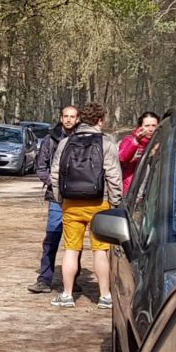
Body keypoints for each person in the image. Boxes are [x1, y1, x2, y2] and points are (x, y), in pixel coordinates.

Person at [47, 103, 124, 309]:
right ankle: (105, 296)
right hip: (100, 203)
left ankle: (67, 294)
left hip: (71, 203)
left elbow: (55, 175)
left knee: (71, 249)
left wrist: (60, 199)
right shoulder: (106, 143)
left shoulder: (65, 143)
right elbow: (114, 177)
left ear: (80, 119)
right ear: (100, 121)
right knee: (100, 251)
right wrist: (115, 203)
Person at [27, 106, 82, 294]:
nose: (68, 120)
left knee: (75, 241)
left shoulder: (84, 139)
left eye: (72, 116)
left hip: (78, 197)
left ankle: (72, 280)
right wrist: (54, 182)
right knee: (51, 237)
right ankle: (44, 279)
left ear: (78, 118)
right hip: (56, 197)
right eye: (65, 116)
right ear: (61, 118)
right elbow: (41, 167)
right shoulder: (50, 139)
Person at [120, 112, 159, 187]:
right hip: (131, 191)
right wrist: (136, 141)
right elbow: (123, 158)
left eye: (154, 125)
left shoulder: (161, 143)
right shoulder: (129, 141)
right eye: (147, 126)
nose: (151, 129)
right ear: (140, 127)